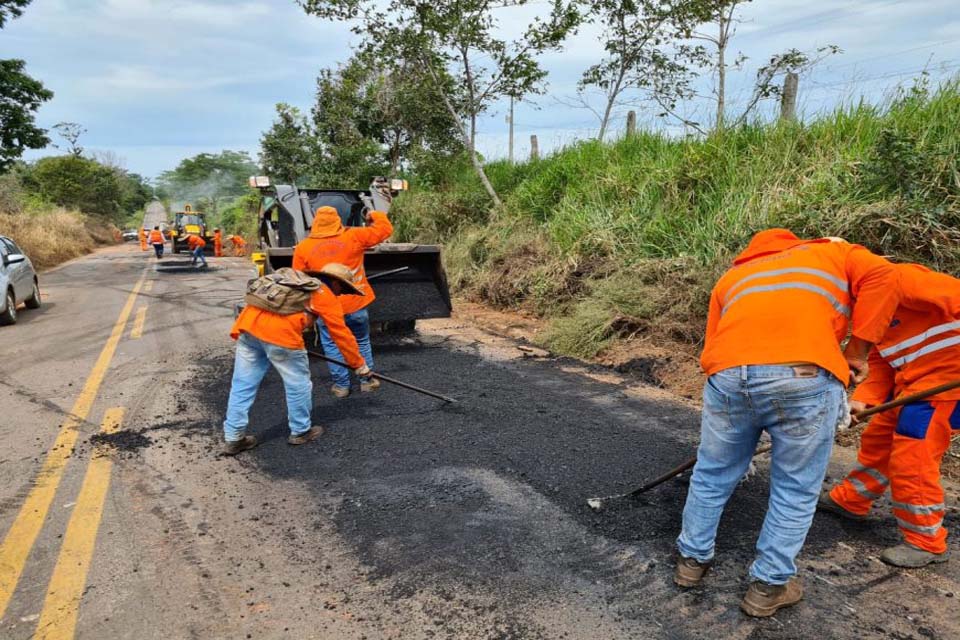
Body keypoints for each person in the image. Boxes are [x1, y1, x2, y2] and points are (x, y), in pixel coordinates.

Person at [674, 229, 900, 617]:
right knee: (795, 486)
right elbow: (887, 277)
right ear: (797, 242)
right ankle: (768, 586)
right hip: (804, 375)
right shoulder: (833, 253)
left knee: (712, 473)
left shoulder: (733, 277)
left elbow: (712, 346)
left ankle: (690, 563)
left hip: (728, 375)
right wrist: (857, 352)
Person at [820, 263, 960, 567]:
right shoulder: (866, 311)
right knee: (879, 438)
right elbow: (883, 363)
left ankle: (926, 540)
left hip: (945, 384)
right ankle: (852, 499)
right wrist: (863, 402)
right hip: (911, 384)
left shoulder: (900, 280)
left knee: (914, 455)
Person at [223, 263, 370, 455]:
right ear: (335, 282)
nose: (341, 293)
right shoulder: (323, 294)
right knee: (298, 384)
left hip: (248, 329)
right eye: (342, 288)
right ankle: (300, 431)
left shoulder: (295, 281)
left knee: (242, 385)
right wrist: (360, 365)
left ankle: (234, 438)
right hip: (281, 337)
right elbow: (341, 335)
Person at [292, 205, 392, 398]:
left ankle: (341, 386)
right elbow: (385, 230)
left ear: (315, 223)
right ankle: (367, 381)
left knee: (331, 344)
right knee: (361, 340)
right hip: (356, 302)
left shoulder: (304, 247)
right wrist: (373, 214)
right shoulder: (354, 236)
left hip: (325, 306)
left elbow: (299, 279)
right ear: (337, 221)